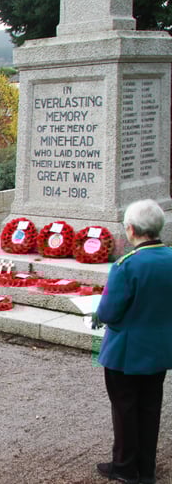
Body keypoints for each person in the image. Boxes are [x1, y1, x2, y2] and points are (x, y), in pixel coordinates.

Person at [94, 199, 172, 484]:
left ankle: (125, 467)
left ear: (131, 229)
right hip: (160, 348)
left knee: (125, 408)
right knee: (150, 407)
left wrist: (98, 313)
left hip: (126, 351)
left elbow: (109, 312)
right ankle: (146, 468)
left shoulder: (126, 265)